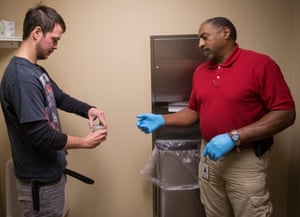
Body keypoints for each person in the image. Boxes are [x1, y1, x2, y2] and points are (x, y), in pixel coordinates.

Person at [136, 17, 295, 217]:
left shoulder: (260, 64)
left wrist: (235, 136)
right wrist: (161, 119)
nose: (200, 44)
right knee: (214, 213)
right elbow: (193, 112)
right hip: (209, 156)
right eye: (199, 39)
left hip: (244, 158)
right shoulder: (201, 71)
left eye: (204, 37)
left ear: (225, 33)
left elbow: (285, 113)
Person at [0, 5, 108, 217]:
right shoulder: (22, 78)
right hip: (40, 183)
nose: (57, 46)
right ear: (37, 32)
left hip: (51, 175)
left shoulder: (35, 70)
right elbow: (41, 135)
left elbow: (59, 97)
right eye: (55, 39)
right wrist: (84, 142)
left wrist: (89, 109)